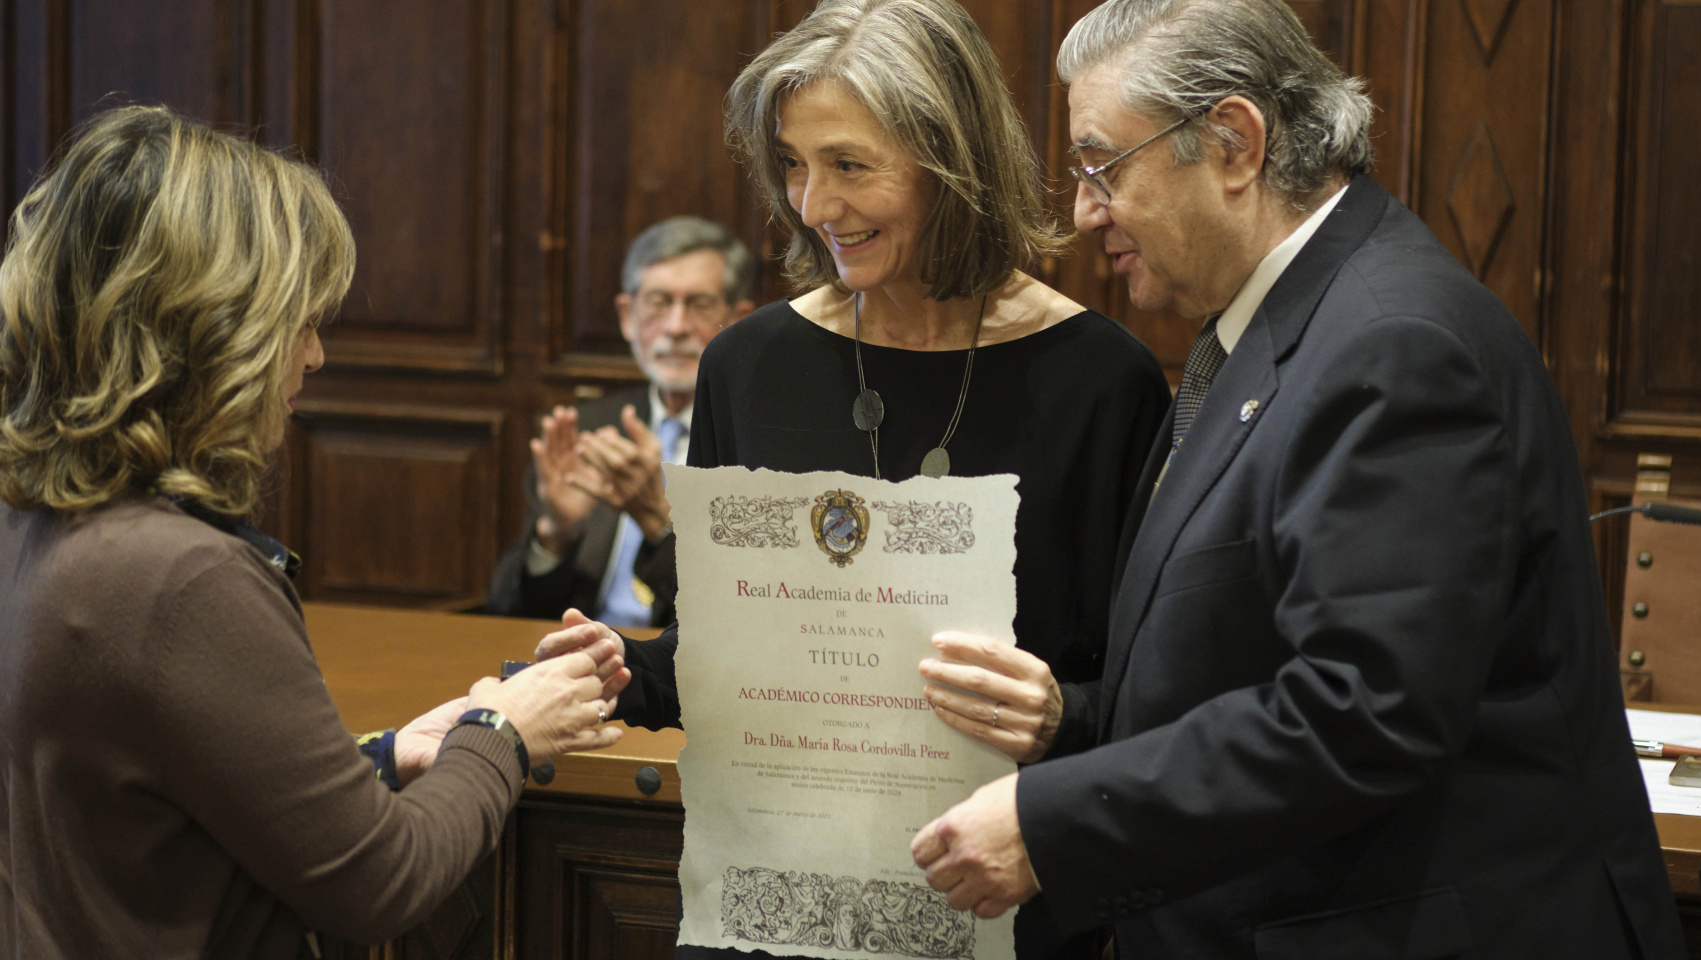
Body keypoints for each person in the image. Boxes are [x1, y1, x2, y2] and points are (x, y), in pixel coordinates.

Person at [908, 1, 1689, 957]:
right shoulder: (1266, 333)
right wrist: (1071, 722)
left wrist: (1055, 822)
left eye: (1103, 166)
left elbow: (1365, 709)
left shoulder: (1393, 344)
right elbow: (1231, 662)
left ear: (1233, 143)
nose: (1082, 211)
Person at [535, 2, 1171, 959]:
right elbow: (722, 656)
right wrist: (614, 677)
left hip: (999, 906)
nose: (812, 204)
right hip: (768, 912)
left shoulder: (1101, 382)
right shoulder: (746, 366)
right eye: (793, 163)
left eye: (849, 165)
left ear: (951, 162)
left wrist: (1061, 718)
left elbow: (1143, 696)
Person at [0, 106, 629, 960]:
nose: (315, 357)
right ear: (210, 332)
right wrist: (504, 734)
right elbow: (384, 883)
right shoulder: (179, 576)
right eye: (297, 320)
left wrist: (383, 757)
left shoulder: (38, 517)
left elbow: (152, 790)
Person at [487, 216, 755, 627]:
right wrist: (556, 534)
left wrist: (660, 525)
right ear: (627, 316)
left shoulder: (762, 441)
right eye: (658, 303)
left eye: (700, 305)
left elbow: (747, 620)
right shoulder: (589, 429)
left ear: (738, 321)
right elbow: (509, 613)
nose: (676, 327)